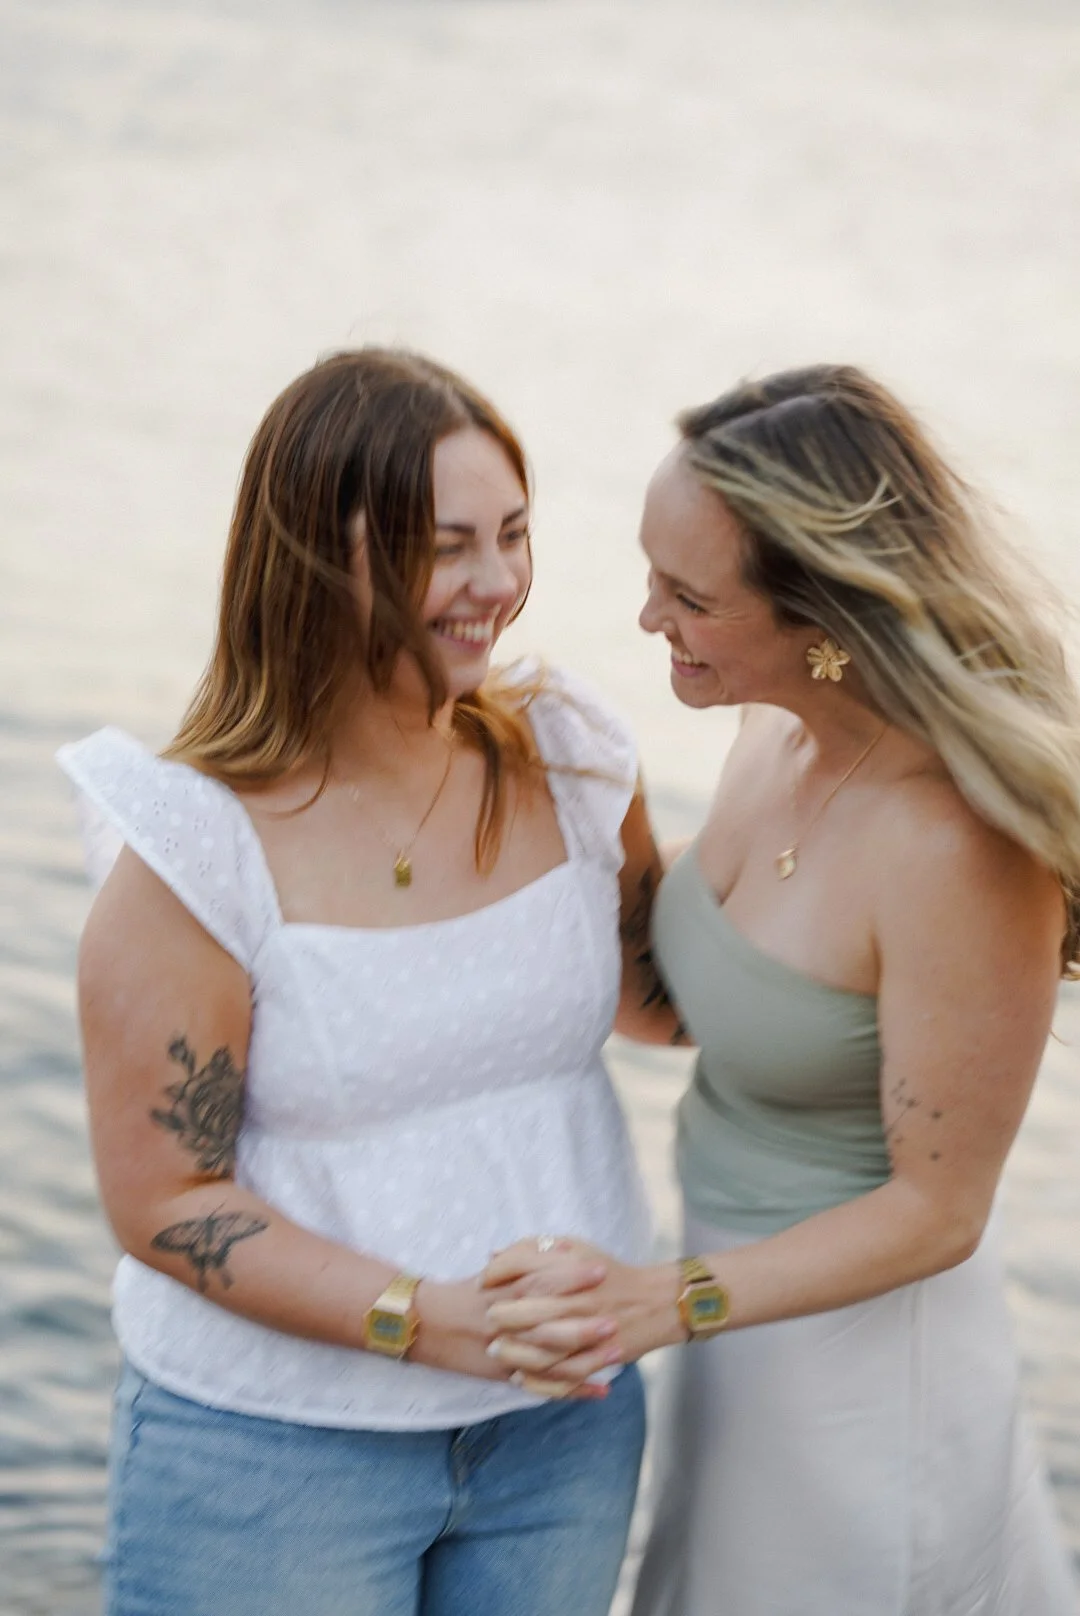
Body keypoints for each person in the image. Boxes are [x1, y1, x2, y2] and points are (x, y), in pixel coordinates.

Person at [58, 347, 679, 1616]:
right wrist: (428, 1317)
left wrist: (855, 783)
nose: (498, 583)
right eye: (448, 545)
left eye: (514, 534)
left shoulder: (566, 754)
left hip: (560, 1431)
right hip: (272, 1456)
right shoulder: (193, 844)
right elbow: (166, 1197)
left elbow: (663, 1001)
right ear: (318, 553)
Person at [482, 365, 1080, 1614]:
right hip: (731, 1329)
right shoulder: (776, 738)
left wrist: (661, 1298)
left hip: (865, 1372)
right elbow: (678, 1005)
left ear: (824, 616)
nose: (648, 618)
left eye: (689, 595)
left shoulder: (962, 848)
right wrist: (587, 792)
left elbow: (938, 1209)